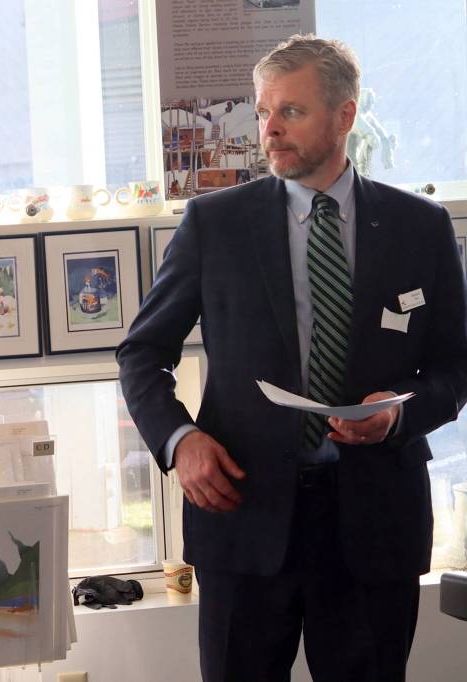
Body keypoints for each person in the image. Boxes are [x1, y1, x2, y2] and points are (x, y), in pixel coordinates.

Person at [117, 35, 467, 682]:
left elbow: (455, 368)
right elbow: (142, 352)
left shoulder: (420, 227)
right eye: (262, 112)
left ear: (345, 116)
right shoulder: (214, 224)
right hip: (242, 515)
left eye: (291, 112)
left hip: (374, 523)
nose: (270, 130)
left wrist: (397, 417)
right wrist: (179, 440)